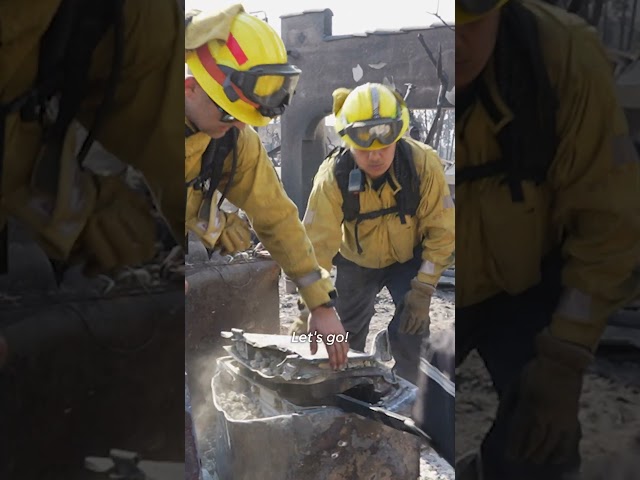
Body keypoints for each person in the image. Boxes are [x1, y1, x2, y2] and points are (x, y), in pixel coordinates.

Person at [455, 0, 640, 478]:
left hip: (524, 284)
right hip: (435, 288)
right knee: (396, 421)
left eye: (470, 11)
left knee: (539, 448)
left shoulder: (564, 58)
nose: (456, 35)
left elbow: (609, 223)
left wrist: (564, 360)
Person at [184, 5, 349, 370]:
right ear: (190, 86)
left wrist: (320, 305)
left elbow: (277, 217)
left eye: (249, 118)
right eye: (231, 114)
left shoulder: (232, 139)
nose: (241, 127)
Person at [289, 82, 455, 383]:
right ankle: (349, 389)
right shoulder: (332, 177)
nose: (375, 157)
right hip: (356, 261)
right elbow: (316, 245)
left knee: (412, 332)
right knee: (343, 338)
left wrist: (424, 290)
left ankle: (407, 394)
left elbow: (442, 231)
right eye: (365, 149)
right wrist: (308, 307)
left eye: (384, 147)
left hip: (408, 260)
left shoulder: (423, 164)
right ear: (348, 139)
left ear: (398, 134)